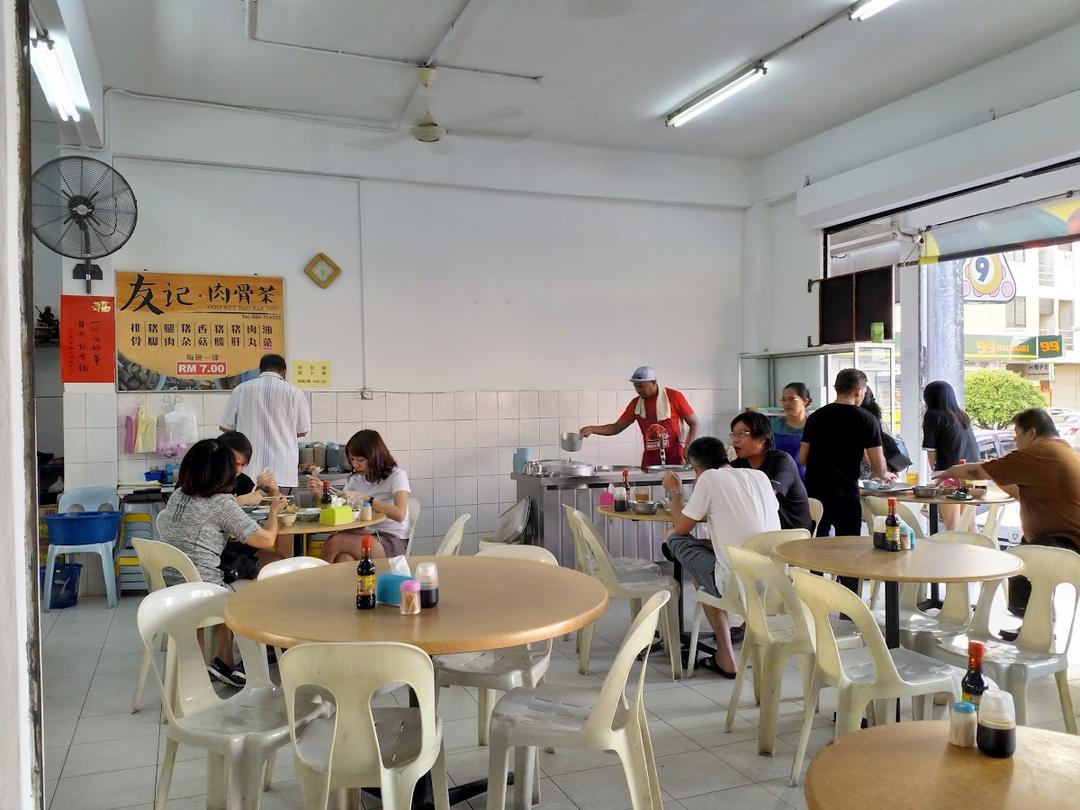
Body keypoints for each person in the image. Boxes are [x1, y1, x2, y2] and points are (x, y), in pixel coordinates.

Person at [157, 438, 287, 687]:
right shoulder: (221, 503)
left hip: (172, 586)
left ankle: (222, 661)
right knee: (262, 582)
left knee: (234, 572)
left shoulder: (177, 496)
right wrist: (274, 514)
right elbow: (266, 538)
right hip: (203, 591)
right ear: (223, 471)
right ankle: (254, 664)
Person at [934, 408, 1080, 627]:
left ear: (1031, 433)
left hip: (1065, 540)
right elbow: (1020, 493)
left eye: (1017, 434)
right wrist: (999, 472)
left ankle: (1038, 628)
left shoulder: (1039, 453)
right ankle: (1037, 626)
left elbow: (976, 472)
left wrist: (950, 471)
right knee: (1024, 554)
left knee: (1019, 560)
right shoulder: (1062, 450)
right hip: (1058, 536)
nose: (1015, 439)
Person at [662, 437, 780, 677]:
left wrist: (674, 492)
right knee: (703, 564)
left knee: (674, 539)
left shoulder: (709, 478)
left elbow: (681, 526)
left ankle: (725, 654)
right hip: (776, 582)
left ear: (696, 469)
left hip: (737, 584)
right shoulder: (758, 476)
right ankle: (724, 654)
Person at [800, 369, 893, 591]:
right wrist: (881, 474)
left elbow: (803, 458)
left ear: (836, 388)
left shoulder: (816, 417)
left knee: (817, 546)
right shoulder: (866, 419)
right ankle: (848, 604)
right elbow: (879, 467)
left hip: (814, 493)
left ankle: (816, 595)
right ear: (859, 391)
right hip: (845, 494)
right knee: (849, 549)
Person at [307, 429, 411, 560]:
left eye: (360, 460)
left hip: (391, 539)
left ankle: (317, 580)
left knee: (335, 542)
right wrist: (321, 494)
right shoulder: (356, 479)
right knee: (343, 558)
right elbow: (339, 506)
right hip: (363, 533)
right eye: (352, 459)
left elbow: (399, 514)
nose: (355, 465)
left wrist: (367, 499)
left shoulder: (397, 476)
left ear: (375, 456)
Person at [219, 354, 311, 490]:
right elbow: (302, 431)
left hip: (248, 472)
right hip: (283, 472)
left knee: (246, 509)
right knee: (284, 510)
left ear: (260, 370)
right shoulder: (295, 393)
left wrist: (248, 430)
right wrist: (282, 431)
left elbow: (225, 427)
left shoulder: (241, 389)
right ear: (284, 373)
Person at [580, 366, 698, 468]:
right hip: (650, 461)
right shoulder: (636, 404)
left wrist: (688, 446)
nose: (638, 390)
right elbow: (616, 428)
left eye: (641, 386)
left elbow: (694, 423)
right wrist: (592, 429)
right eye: (636, 386)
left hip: (675, 458)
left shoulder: (674, 397)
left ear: (653, 382)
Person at [729, 411, 811, 531]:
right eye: (733, 434)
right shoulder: (741, 463)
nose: (735, 440)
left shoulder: (781, 462)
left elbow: (766, 497)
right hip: (763, 531)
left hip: (791, 536)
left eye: (741, 434)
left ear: (762, 439)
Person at [922, 380, 980, 530]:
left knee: (952, 525)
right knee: (969, 524)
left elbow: (931, 450)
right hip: (971, 472)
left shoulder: (933, 415)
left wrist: (936, 474)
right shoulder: (961, 415)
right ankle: (977, 552)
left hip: (950, 472)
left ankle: (953, 553)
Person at [772, 382, 812, 479]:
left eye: (791, 399)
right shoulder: (774, 426)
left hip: (807, 479)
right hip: (778, 479)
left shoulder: (814, 426)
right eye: (783, 400)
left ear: (805, 401)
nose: (786, 404)